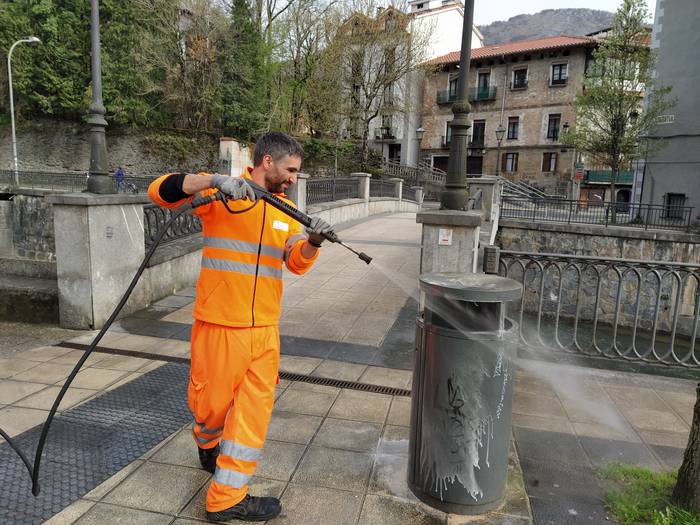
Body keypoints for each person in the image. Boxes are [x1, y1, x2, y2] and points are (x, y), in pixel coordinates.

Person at [147, 132, 333, 522]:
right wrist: (213, 181)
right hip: (219, 324)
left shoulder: (284, 209)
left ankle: (226, 497)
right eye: (291, 170)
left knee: (253, 414)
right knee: (210, 408)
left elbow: (295, 261)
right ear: (267, 161)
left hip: (264, 330)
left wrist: (313, 241)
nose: (294, 179)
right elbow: (159, 192)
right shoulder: (223, 198)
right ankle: (207, 442)